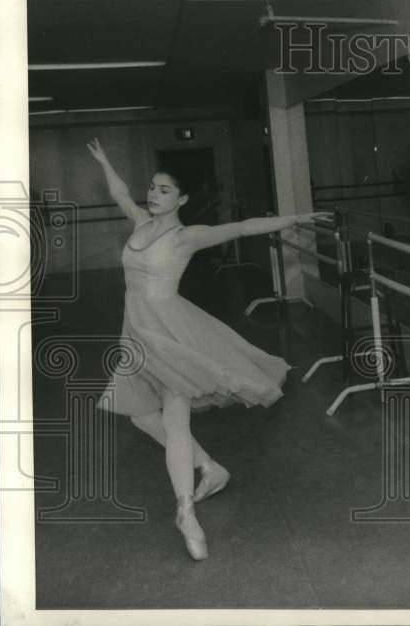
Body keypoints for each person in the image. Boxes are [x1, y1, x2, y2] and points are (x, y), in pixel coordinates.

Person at [87, 138, 329, 560]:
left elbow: (243, 227)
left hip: (172, 334)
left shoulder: (187, 237)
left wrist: (296, 217)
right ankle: (210, 468)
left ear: (181, 199)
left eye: (164, 190)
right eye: (153, 187)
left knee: (175, 419)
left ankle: (186, 512)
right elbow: (120, 193)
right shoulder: (140, 222)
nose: (153, 194)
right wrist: (105, 161)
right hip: (137, 332)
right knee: (141, 415)